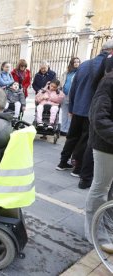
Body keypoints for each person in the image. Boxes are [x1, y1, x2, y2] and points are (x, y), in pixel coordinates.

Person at [56, 44, 111, 178]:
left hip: (77, 108)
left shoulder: (84, 64)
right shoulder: (106, 65)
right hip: (91, 110)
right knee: (85, 140)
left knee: (72, 136)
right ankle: (77, 168)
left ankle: (62, 162)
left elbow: (73, 88)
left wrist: (71, 108)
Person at [84, 63, 113, 253]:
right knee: (101, 187)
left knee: (110, 190)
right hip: (106, 145)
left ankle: (107, 224)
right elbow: (98, 117)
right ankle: (95, 232)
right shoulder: (109, 82)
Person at [78, 40, 113, 189]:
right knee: (100, 186)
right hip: (96, 110)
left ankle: (83, 177)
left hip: (86, 106)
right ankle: (84, 178)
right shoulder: (107, 69)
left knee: (84, 140)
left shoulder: (88, 63)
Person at [59, 57, 80, 136]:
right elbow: (62, 82)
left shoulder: (79, 72)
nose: (76, 63)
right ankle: (62, 129)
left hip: (73, 96)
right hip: (64, 95)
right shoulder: (66, 73)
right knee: (64, 113)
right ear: (71, 63)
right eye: (75, 62)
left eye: (78, 62)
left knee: (70, 113)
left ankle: (68, 130)